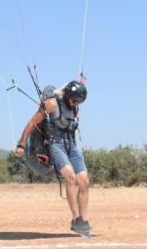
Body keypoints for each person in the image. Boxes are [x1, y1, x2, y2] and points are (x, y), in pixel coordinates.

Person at [16, 78, 91, 237]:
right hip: (56, 144)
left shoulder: (75, 105)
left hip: (71, 144)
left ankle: (84, 220)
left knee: (84, 180)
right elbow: (31, 123)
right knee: (70, 177)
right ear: (67, 97)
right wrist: (21, 144)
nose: (76, 105)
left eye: (79, 102)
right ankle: (75, 219)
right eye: (75, 101)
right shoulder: (51, 105)